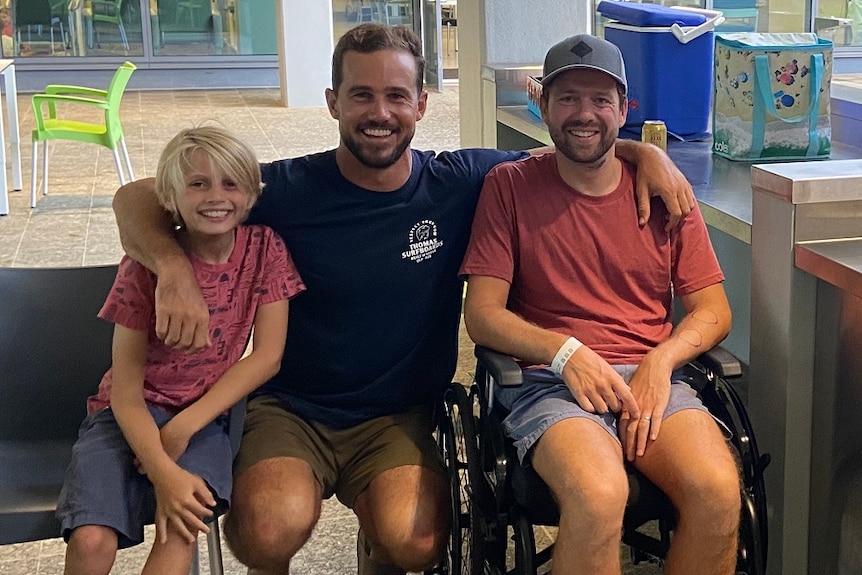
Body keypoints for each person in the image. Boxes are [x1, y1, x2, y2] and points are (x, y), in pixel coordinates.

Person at [111, 24, 698, 575]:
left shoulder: (461, 181)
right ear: (333, 101)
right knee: (267, 529)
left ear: (420, 104)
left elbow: (572, 148)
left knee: (413, 540)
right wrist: (170, 267)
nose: (380, 114)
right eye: (361, 95)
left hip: (403, 413)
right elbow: (136, 198)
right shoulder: (286, 190)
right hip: (292, 406)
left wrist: (644, 153)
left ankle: (378, 546)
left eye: (396, 95)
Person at [460, 34, 741, 575]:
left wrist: (661, 361)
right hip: (551, 384)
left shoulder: (665, 193)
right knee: (599, 493)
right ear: (540, 103)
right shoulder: (509, 187)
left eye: (600, 100)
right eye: (567, 99)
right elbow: (483, 315)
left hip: (650, 382)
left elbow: (713, 311)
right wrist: (566, 354)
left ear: (624, 109)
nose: (583, 114)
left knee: (717, 491)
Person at [57, 125, 305, 575]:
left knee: (181, 527)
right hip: (125, 416)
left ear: (251, 195)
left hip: (205, 418)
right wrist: (161, 469)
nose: (216, 196)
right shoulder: (143, 269)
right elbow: (126, 393)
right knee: (92, 538)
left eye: (231, 183)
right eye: (197, 183)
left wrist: (185, 426)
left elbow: (267, 356)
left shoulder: (266, 251)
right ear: (170, 196)